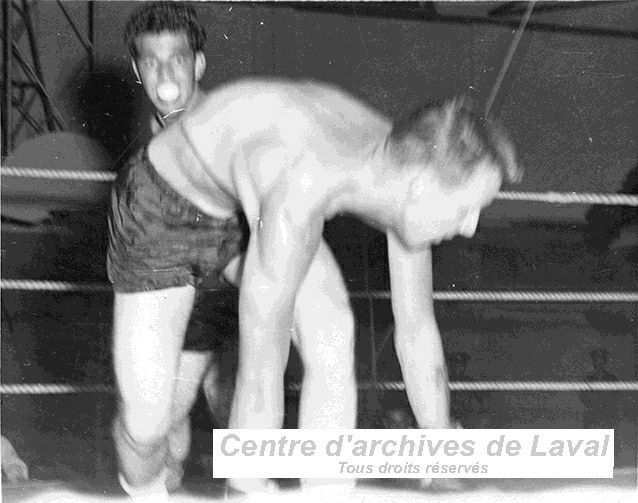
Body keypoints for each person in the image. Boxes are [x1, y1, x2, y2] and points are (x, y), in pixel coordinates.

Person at [107, 78, 521, 497]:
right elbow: (262, 364)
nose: (470, 228)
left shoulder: (408, 161)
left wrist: (441, 456)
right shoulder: (301, 188)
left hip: (251, 198)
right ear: (421, 189)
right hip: (167, 201)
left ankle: (328, 491)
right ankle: (145, 491)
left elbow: (416, 327)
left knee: (331, 331)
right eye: (467, 209)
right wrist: (249, 485)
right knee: (146, 424)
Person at [115, 2, 239, 495]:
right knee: (157, 425)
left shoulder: (232, 128)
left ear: (199, 64)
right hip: (180, 291)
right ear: (137, 69)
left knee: (244, 415)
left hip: (244, 288)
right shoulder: (142, 155)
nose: (166, 74)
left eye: (178, 59)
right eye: (151, 61)